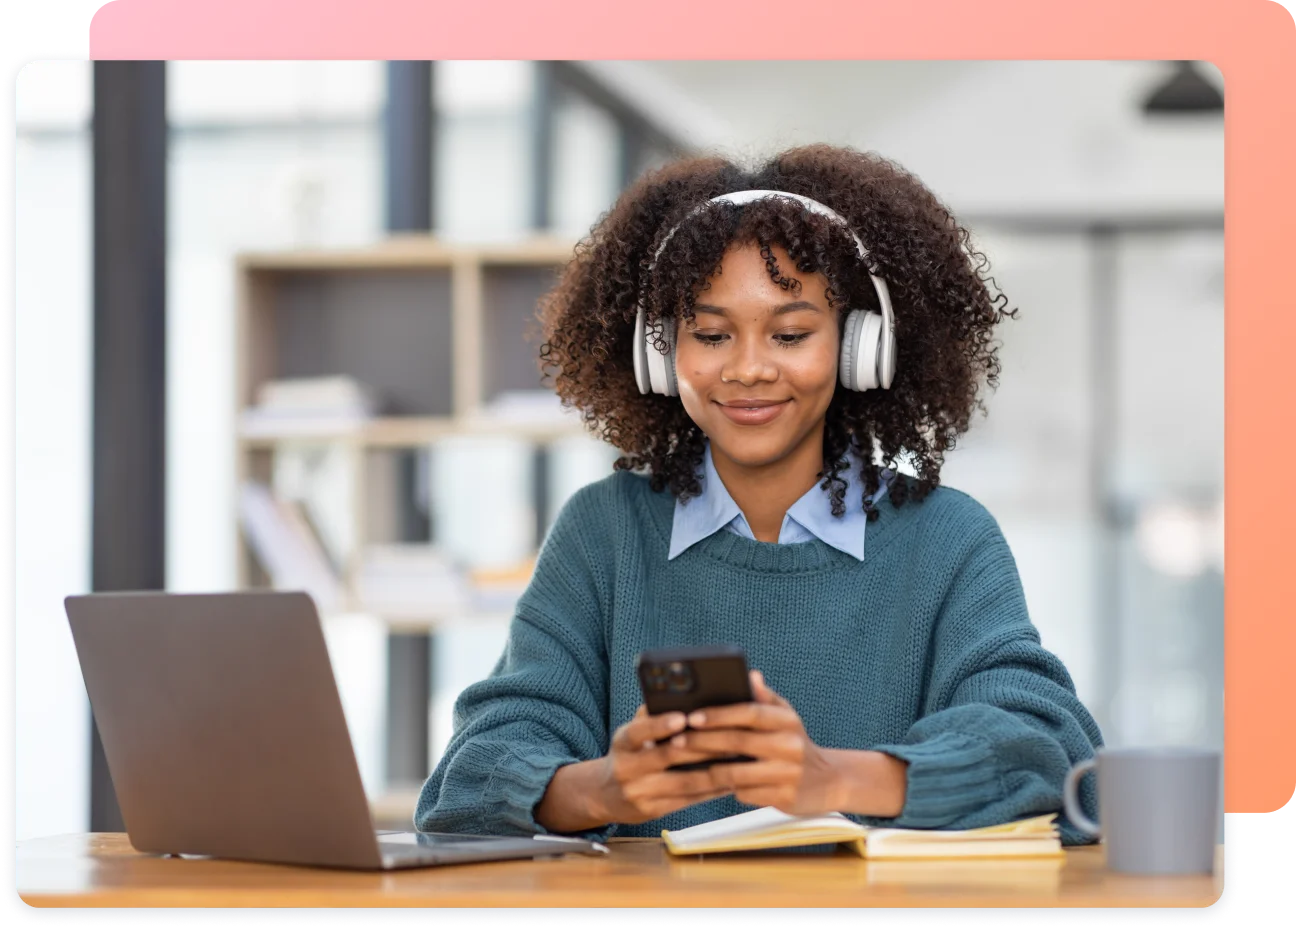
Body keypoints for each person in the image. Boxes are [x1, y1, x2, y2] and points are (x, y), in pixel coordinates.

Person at [414, 144, 1102, 843]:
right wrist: (602, 789)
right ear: (660, 354)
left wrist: (832, 779)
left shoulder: (946, 538)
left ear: (861, 346)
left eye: (791, 333)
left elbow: (1049, 754)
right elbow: (472, 778)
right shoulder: (604, 531)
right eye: (710, 334)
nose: (747, 369)